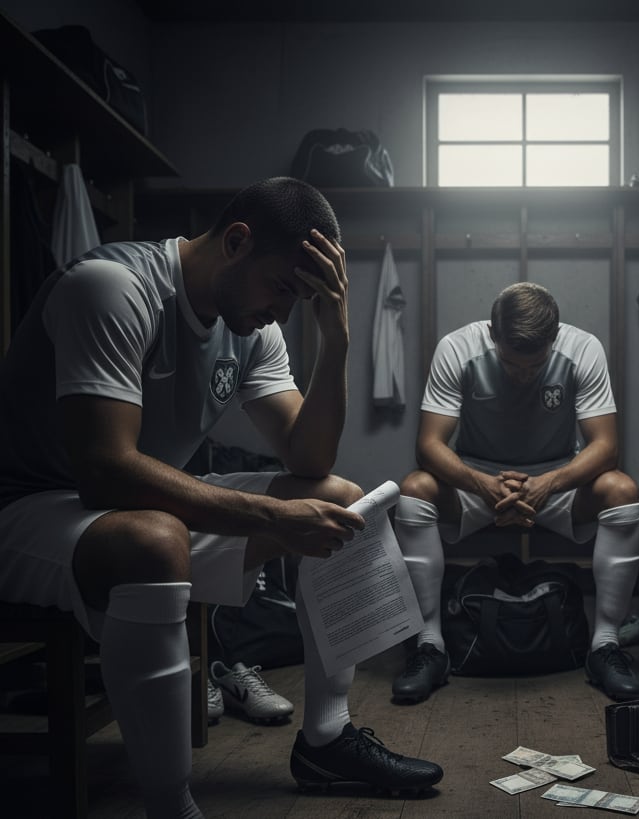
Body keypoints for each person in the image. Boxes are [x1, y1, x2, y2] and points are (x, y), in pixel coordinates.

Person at [0, 177, 443, 818]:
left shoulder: (251, 325)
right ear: (237, 241)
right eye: (282, 289)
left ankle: (326, 737)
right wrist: (271, 516)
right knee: (155, 539)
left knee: (341, 502)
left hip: (138, 508)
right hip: (32, 507)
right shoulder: (114, 289)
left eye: (301, 299)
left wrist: (337, 333)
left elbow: (309, 459)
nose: (283, 312)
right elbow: (104, 472)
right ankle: (171, 804)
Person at [391, 282, 639, 702]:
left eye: (535, 365)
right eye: (512, 364)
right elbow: (429, 445)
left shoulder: (583, 349)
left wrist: (549, 484)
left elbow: (606, 447)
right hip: (478, 478)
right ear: (493, 335)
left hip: (555, 478)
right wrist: (481, 485)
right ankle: (430, 646)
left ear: (555, 336)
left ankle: (605, 645)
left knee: (621, 489)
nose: (523, 375)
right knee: (415, 489)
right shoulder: (457, 349)